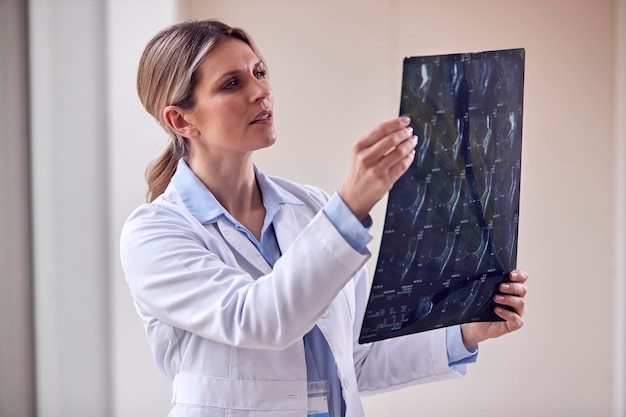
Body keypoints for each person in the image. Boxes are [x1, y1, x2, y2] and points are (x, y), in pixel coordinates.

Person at [120, 19, 528, 417]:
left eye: (260, 72)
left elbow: (355, 360)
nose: (261, 91)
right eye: (232, 83)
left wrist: (464, 332)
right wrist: (350, 205)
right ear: (181, 120)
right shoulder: (155, 233)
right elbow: (260, 320)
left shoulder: (312, 207)